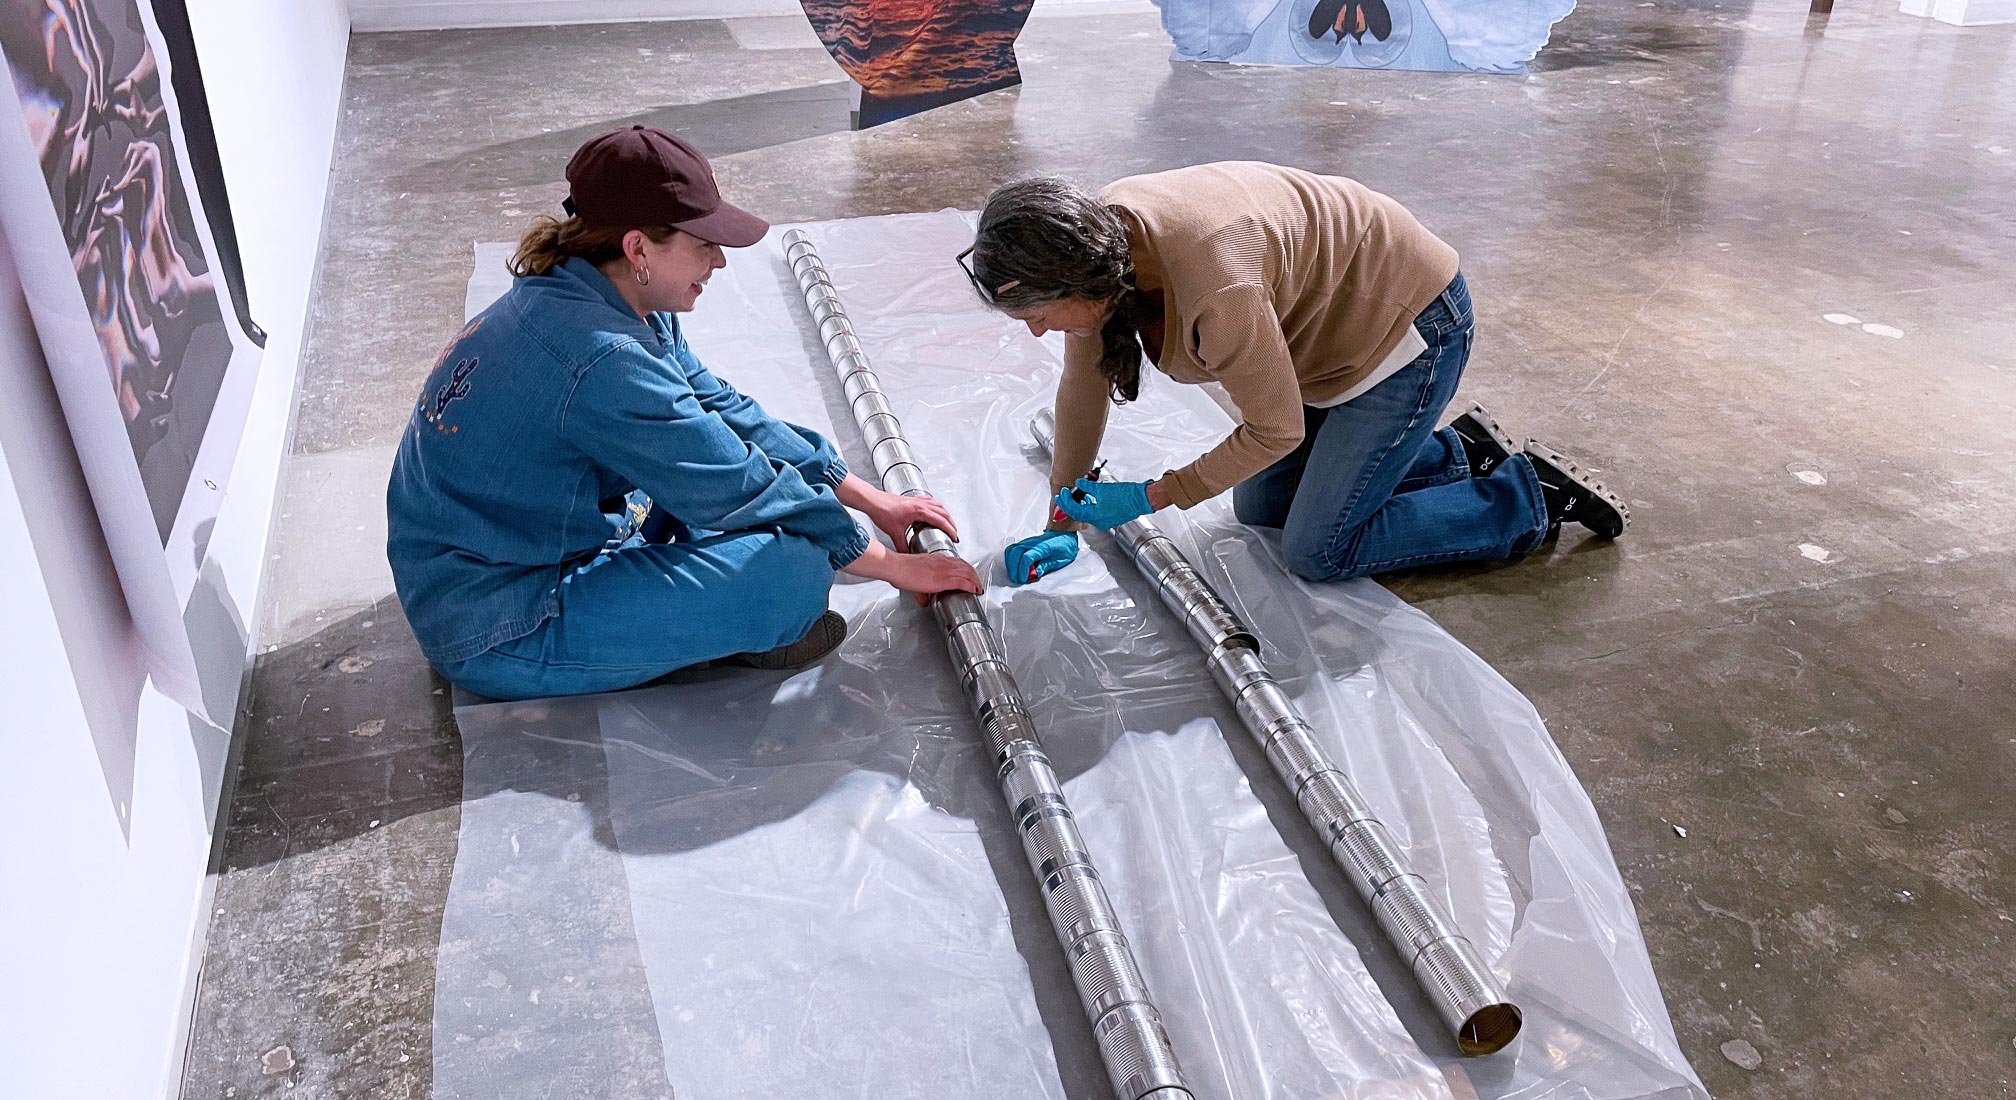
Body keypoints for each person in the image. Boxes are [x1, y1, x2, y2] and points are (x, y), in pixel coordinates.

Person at [387, 126, 981, 701]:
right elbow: (729, 481)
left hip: (518, 543)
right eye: (703, 243)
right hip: (498, 620)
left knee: (761, 504)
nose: (719, 261)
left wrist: (873, 500)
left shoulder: (608, 291)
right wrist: (884, 563)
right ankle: (710, 631)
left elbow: (718, 409)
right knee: (793, 572)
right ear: (638, 246)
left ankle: (688, 618)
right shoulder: (602, 356)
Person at [959, 163, 1628, 587]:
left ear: (1076, 279)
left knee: (1319, 550)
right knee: (1261, 508)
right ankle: (1461, 450)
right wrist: (1060, 516)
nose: (1038, 331)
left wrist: (1154, 495)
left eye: (1039, 313)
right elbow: (1082, 388)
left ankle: (1530, 495)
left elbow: (1273, 429)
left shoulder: (1214, 282)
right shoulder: (1102, 249)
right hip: (1324, 347)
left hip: (1407, 332)